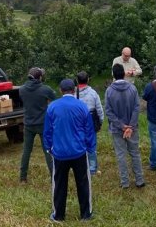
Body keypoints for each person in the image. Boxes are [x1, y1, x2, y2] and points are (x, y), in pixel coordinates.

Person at [44, 79, 96, 222]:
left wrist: (48, 147)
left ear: (61, 90)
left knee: (59, 184)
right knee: (83, 183)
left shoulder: (52, 107)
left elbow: (48, 130)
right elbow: (89, 130)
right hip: (79, 151)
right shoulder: (82, 106)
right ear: (74, 90)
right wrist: (90, 147)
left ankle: (58, 215)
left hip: (60, 153)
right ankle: (86, 214)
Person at [105, 63, 145, 188]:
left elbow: (108, 111)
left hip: (118, 129)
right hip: (131, 128)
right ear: (123, 74)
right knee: (135, 153)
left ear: (113, 75)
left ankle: (125, 182)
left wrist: (122, 126)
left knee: (121, 154)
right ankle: (139, 180)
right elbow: (136, 107)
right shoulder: (132, 89)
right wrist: (130, 126)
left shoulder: (109, 91)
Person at [19, 67, 55, 182]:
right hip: (43, 123)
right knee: (48, 150)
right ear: (40, 77)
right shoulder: (45, 89)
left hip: (28, 123)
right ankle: (54, 176)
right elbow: (54, 98)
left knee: (26, 151)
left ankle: (23, 177)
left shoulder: (22, 89)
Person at [75, 71, 104, 175]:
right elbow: (99, 109)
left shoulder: (74, 93)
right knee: (91, 144)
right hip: (90, 119)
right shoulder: (93, 93)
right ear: (88, 80)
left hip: (78, 120)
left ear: (77, 81)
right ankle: (92, 169)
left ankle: (81, 167)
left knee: (79, 142)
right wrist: (100, 122)